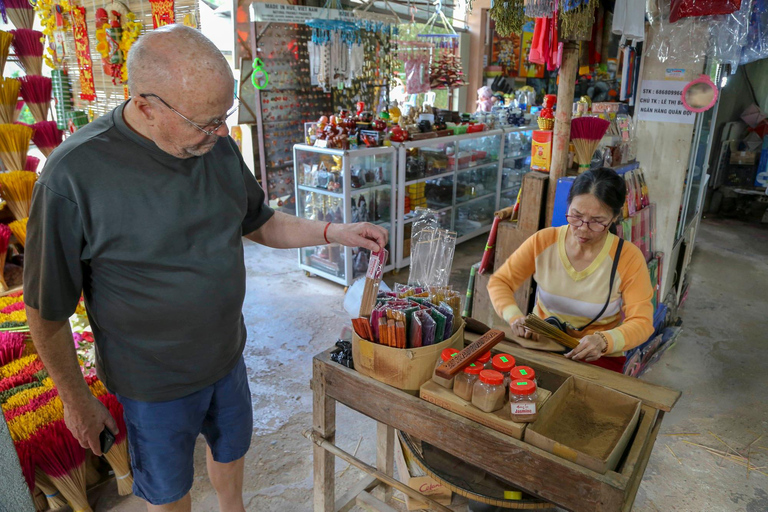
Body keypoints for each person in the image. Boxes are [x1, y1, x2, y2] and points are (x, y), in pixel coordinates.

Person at [23, 25, 388, 512]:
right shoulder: (74, 176)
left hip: (226, 357)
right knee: (170, 492)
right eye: (206, 121)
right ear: (146, 104)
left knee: (232, 451)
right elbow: (45, 312)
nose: (220, 132)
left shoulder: (214, 146)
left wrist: (332, 233)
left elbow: (260, 223)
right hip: (152, 382)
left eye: (224, 117)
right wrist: (75, 400)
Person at [487, 168, 654, 373]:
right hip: (542, 345)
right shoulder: (544, 241)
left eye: (597, 221)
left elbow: (642, 322)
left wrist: (604, 340)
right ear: (569, 206)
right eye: (576, 216)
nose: (583, 228)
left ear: (614, 217)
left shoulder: (628, 258)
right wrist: (514, 317)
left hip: (596, 356)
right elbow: (500, 282)